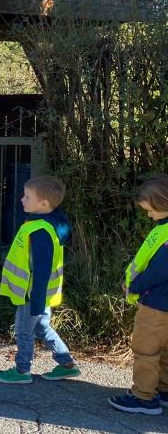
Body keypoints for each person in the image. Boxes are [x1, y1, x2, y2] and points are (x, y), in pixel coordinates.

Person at [0, 176, 79, 385]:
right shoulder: (51, 222)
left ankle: (22, 370)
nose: (22, 199)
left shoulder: (40, 231)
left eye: (27, 197)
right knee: (42, 327)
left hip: (32, 293)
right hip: (40, 293)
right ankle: (67, 364)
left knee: (23, 331)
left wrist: (36, 300)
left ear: (44, 204)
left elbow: (42, 269)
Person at [110, 175, 168, 415]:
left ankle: (143, 397)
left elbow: (160, 269)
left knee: (146, 350)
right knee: (164, 350)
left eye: (150, 210)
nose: (148, 214)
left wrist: (135, 286)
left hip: (155, 302)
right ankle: (164, 390)